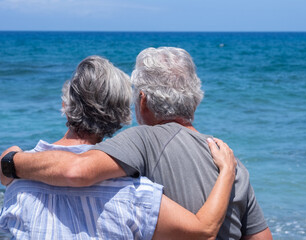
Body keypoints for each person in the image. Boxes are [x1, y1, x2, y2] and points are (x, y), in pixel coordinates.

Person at [1, 47, 273, 239]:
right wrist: (227, 170)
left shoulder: (16, 180)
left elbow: (76, 169)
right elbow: (220, 232)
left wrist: (12, 160)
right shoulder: (138, 192)